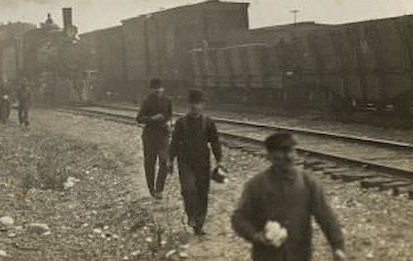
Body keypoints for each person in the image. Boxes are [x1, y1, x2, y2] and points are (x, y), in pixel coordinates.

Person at [231, 131, 346, 261]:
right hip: (267, 256)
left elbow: (325, 215)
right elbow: (239, 218)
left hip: (299, 254)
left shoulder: (308, 183)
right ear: (270, 156)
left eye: (292, 151)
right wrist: (256, 236)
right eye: (283, 151)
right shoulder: (256, 185)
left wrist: (338, 246)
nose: (289, 156)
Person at [168, 89, 222, 235]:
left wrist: (219, 160)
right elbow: (174, 142)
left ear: (203, 105)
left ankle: (199, 224)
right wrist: (170, 160)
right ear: (189, 105)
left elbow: (215, 142)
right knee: (188, 189)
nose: (195, 106)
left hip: (203, 163)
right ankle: (191, 215)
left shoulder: (208, 123)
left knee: (202, 193)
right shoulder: (181, 123)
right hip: (185, 162)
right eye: (192, 103)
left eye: (198, 103)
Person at [135, 77, 173, 199]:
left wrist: (169, 123)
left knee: (164, 161)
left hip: (163, 135)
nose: (158, 91)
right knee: (150, 163)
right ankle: (151, 189)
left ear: (163, 88)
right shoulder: (147, 101)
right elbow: (139, 118)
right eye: (155, 90)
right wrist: (152, 119)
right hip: (149, 136)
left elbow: (170, 116)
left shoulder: (168, 100)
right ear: (151, 90)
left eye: (160, 89)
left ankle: (159, 189)